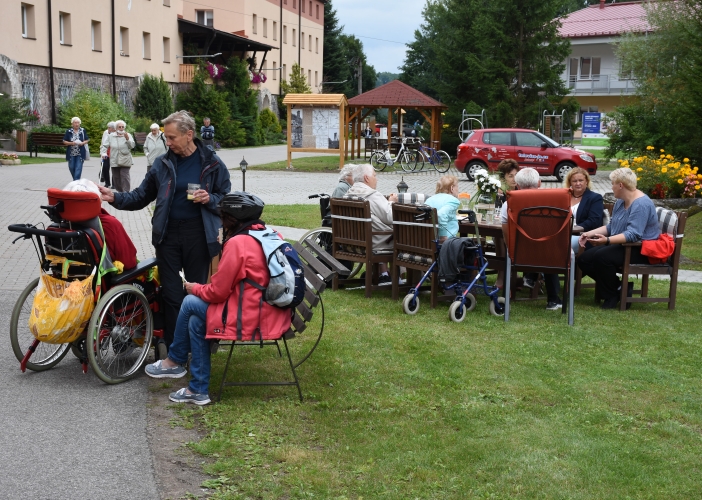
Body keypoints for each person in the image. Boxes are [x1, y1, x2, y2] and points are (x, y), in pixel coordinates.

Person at [98, 110, 231, 352]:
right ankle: (174, 350)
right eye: (166, 138)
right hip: (167, 235)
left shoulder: (211, 162)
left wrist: (210, 198)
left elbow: (226, 199)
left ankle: (199, 347)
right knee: (171, 295)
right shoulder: (163, 163)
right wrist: (115, 197)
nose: (166, 142)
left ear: (189, 135)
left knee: (195, 293)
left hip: (198, 235)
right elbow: (141, 195)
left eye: (171, 138)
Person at [143, 192, 290, 405]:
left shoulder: (238, 244)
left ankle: (175, 361)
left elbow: (218, 292)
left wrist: (194, 288)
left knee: (190, 302)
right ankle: (197, 390)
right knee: (196, 321)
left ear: (231, 220)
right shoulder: (268, 234)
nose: (219, 221)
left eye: (221, 217)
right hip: (272, 311)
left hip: (253, 318)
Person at [577, 168, 660, 309]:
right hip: (623, 244)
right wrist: (589, 233)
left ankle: (611, 296)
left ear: (621, 185)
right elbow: (612, 227)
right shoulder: (621, 201)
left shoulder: (641, 204)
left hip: (640, 249)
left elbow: (633, 234)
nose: (611, 186)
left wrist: (607, 241)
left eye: (613, 183)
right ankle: (620, 288)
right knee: (584, 259)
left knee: (601, 257)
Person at [500, 168, 563, 310]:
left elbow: (506, 233)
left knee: (544, 250)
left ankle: (507, 295)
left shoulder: (508, 204)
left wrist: (511, 249)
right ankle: (553, 300)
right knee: (549, 250)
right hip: (550, 254)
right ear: (539, 183)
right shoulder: (555, 202)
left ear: (517, 184)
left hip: (520, 254)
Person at [344, 163, 398, 285]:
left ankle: (385, 273)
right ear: (367, 178)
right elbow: (390, 217)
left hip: (352, 242)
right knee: (406, 236)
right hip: (376, 242)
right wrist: (391, 202)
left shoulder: (347, 194)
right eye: (375, 175)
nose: (376, 178)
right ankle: (401, 277)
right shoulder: (372, 195)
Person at [564, 167, 603, 253]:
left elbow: (594, 221)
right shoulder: (564, 197)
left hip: (583, 236)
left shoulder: (595, 198)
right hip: (563, 233)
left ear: (586, 182)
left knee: (560, 245)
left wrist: (574, 229)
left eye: (581, 180)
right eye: (574, 181)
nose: (578, 183)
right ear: (570, 182)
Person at [101, 120, 135, 192]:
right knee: (116, 178)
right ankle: (120, 192)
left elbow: (132, 146)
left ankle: (126, 193)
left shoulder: (127, 135)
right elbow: (104, 145)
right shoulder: (111, 136)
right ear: (116, 128)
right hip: (114, 159)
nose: (121, 128)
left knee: (124, 176)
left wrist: (127, 139)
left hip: (125, 159)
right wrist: (103, 153)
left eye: (123, 127)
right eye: (119, 127)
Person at [425, 175, 461, 242]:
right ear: (452, 188)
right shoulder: (453, 200)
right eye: (457, 186)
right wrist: (443, 236)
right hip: (447, 242)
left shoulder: (429, 200)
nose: (458, 190)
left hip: (429, 240)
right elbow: (441, 214)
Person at [99, 122, 115, 188]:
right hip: (106, 153)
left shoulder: (116, 133)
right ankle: (107, 183)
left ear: (114, 129)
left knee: (114, 169)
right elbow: (103, 143)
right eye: (108, 127)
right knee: (105, 167)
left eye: (109, 127)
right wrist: (102, 152)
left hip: (114, 153)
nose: (108, 129)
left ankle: (114, 184)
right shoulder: (105, 132)